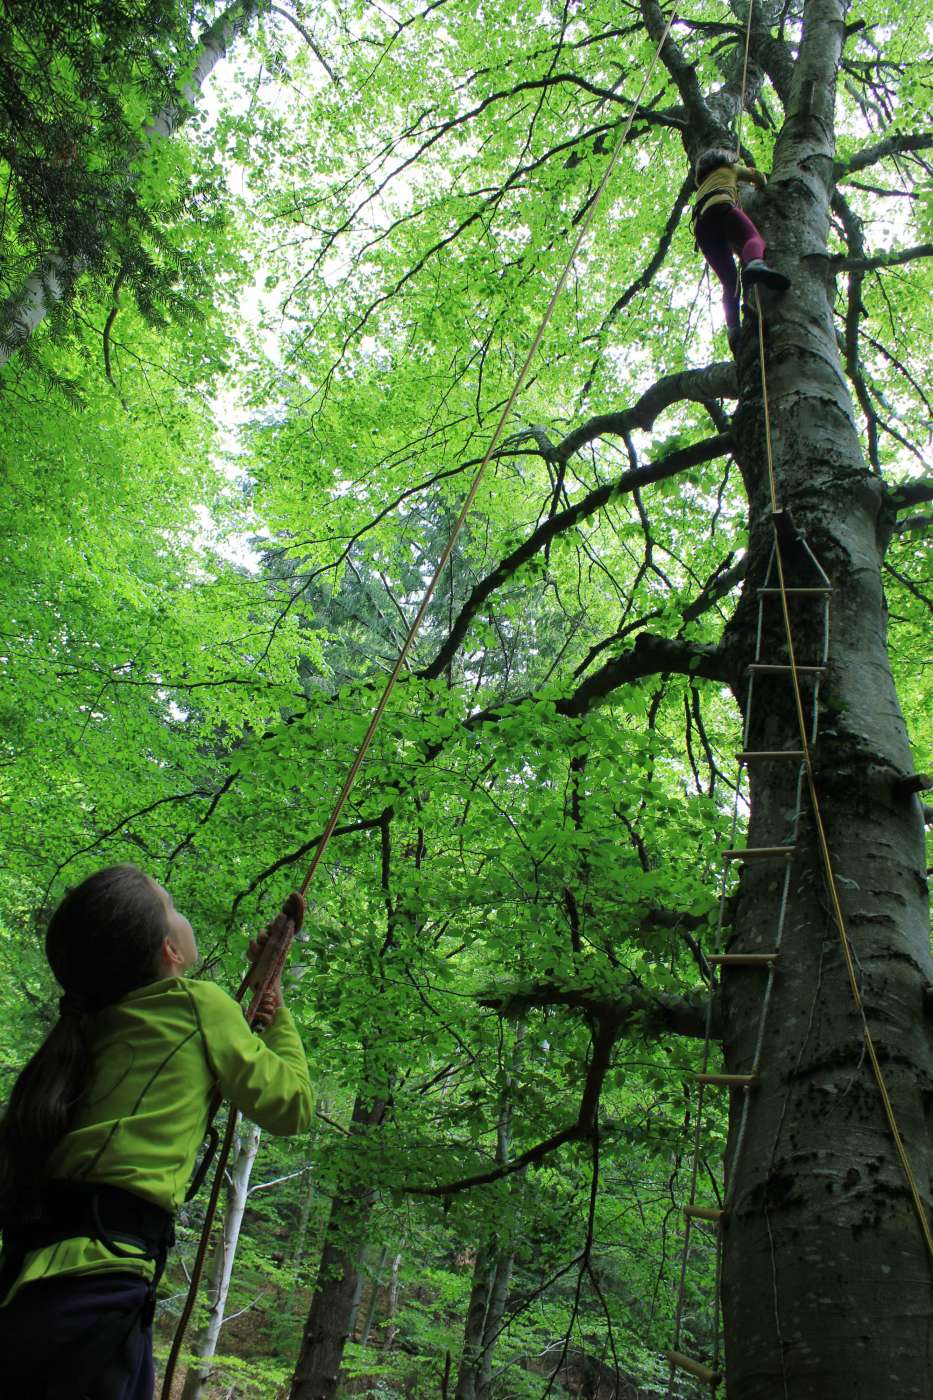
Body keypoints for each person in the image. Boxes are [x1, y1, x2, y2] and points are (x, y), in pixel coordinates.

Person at [0, 864, 313, 1399]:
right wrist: (277, 1010)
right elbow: (293, 1107)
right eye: (173, 908)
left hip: (34, 1288)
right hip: (101, 1290)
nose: (181, 914)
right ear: (170, 950)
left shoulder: (87, 1029)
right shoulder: (201, 1005)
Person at [692, 147, 790, 352]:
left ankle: (734, 328)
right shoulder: (730, 168)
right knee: (752, 239)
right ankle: (756, 263)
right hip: (722, 206)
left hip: (701, 226)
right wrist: (763, 183)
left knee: (730, 282)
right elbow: (757, 177)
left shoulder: (702, 185)